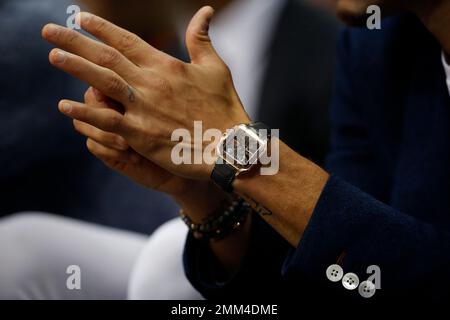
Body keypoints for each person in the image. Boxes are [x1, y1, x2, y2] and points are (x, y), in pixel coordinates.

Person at [1, 0, 448, 303]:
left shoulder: (328, 43)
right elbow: (343, 270)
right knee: (26, 250)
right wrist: (207, 199)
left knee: (161, 262)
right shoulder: (376, 46)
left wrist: (236, 149)